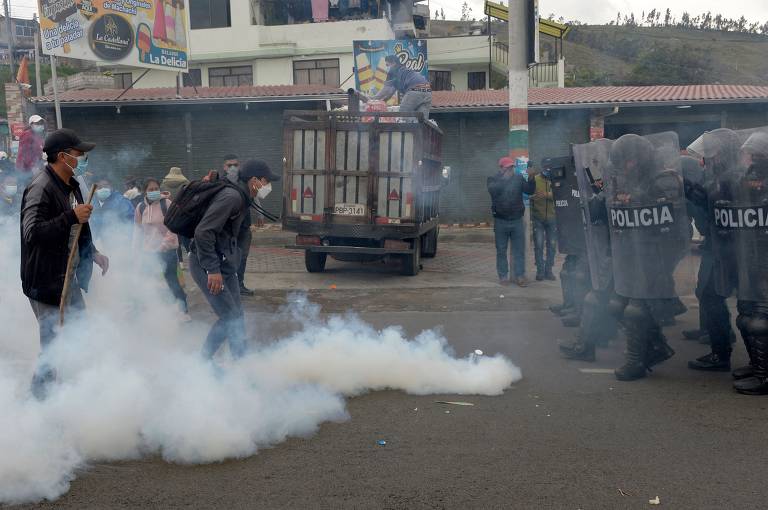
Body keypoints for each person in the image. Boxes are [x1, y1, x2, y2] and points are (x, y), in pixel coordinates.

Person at [20, 128, 109, 399]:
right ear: (62, 156)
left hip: (68, 278)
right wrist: (70, 216)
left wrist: (91, 251)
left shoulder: (71, 185)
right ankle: (39, 401)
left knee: (78, 336)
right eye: (79, 154)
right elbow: (31, 233)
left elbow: (77, 228)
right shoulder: (41, 187)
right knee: (53, 345)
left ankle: (71, 395)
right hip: (47, 282)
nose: (83, 158)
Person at [602, 133, 687, 381]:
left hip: (654, 256)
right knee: (616, 305)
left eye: (630, 160)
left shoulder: (664, 181)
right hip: (629, 255)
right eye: (623, 161)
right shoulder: (624, 182)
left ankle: (636, 361)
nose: (627, 166)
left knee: (636, 310)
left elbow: (675, 226)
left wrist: (664, 261)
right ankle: (657, 346)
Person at [189, 159, 280, 360]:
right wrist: (213, 270)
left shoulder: (243, 196)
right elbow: (203, 232)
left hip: (225, 263)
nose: (268, 186)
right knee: (230, 317)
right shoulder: (232, 197)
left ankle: (241, 360)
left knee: (237, 316)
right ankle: (203, 361)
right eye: (266, 181)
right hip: (207, 264)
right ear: (254, 180)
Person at [680, 144, 738, 373]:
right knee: (707, 293)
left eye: (710, 156)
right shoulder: (719, 179)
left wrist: (690, 190)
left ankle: (722, 354)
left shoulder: (730, 180)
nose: (705, 161)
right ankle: (714, 339)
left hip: (728, 248)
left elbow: (711, 211)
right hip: (717, 246)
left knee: (715, 295)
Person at [134, 178, 189, 316]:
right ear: (144, 192)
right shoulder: (141, 207)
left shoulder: (167, 204)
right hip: (148, 252)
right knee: (147, 282)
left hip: (167, 251)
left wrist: (163, 245)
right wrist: (135, 251)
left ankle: (183, 310)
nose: (154, 192)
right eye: (150, 190)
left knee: (171, 281)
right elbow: (138, 231)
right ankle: (152, 311)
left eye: (156, 189)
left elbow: (173, 227)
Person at [488, 156, 536, 287]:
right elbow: (493, 191)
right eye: (508, 167)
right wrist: (504, 179)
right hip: (500, 221)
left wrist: (531, 178)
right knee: (501, 250)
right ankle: (503, 276)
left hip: (516, 221)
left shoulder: (519, 178)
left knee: (519, 250)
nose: (511, 170)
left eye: (512, 167)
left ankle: (520, 276)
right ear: (501, 168)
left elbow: (530, 190)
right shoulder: (493, 179)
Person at [372, 55, 432, 119]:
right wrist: (384, 100)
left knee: (403, 115)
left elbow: (386, 90)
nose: (386, 67)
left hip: (415, 89)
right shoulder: (404, 70)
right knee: (422, 120)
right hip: (427, 91)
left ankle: (405, 128)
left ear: (394, 63)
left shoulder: (392, 71)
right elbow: (390, 92)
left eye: (387, 65)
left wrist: (372, 99)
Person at [530, 165, 557, 281]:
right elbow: (528, 195)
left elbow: (560, 195)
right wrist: (533, 197)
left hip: (552, 218)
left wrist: (547, 195)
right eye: (546, 170)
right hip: (538, 218)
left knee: (552, 245)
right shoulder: (535, 180)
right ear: (542, 169)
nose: (548, 173)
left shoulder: (555, 180)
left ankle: (549, 270)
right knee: (539, 245)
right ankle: (540, 271)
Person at [16, 115, 46, 182]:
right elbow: (25, 153)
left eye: (41, 123)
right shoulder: (27, 135)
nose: (40, 125)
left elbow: (40, 149)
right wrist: (33, 166)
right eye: (37, 123)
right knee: (27, 187)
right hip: (25, 167)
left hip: (34, 166)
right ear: (31, 125)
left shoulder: (38, 135)